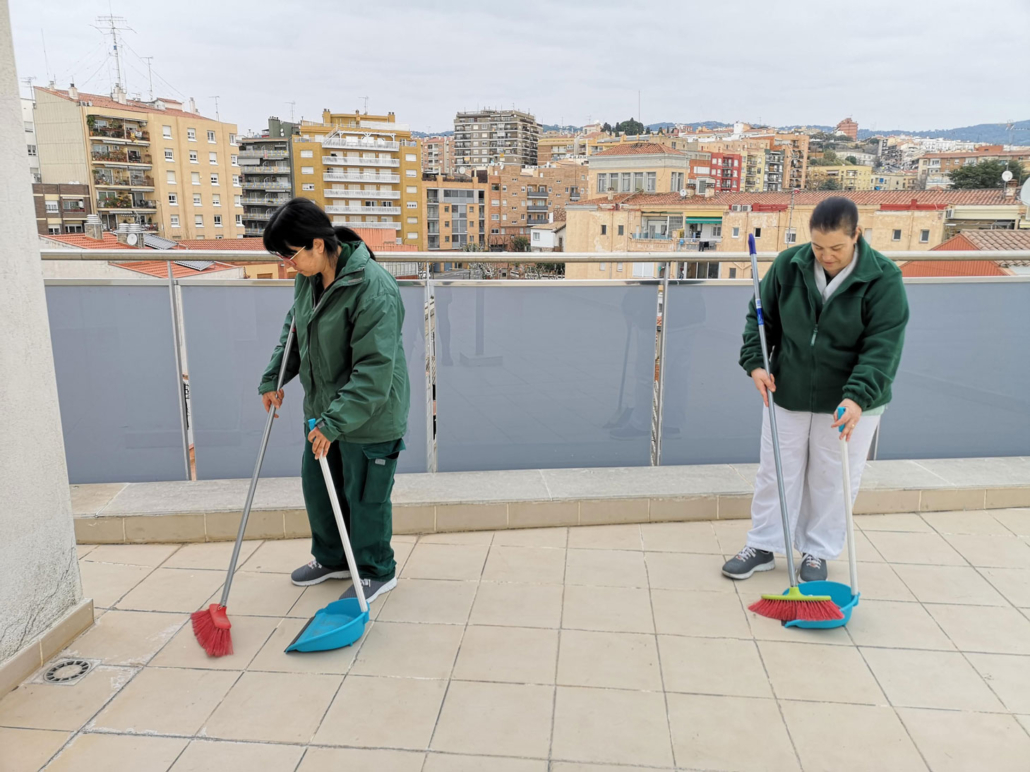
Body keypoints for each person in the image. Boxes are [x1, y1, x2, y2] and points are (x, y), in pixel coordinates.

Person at [722, 197, 908, 583]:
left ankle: (816, 551)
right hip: (787, 387)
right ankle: (763, 544)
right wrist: (755, 363)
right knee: (776, 471)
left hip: (850, 398)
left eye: (837, 248)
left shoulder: (884, 277)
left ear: (857, 234)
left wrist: (858, 396)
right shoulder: (789, 265)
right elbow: (760, 319)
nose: (826, 256)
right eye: (818, 247)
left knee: (833, 475)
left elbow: (883, 346)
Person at [260, 198, 409, 604]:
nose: (287, 265)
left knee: (365, 499)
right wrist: (273, 378)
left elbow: (374, 372)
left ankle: (377, 570)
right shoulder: (307, 280)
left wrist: (333, 422)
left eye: (290, 255)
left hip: (369, 416)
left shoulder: (374, 288)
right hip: (325, 412)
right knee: (321, 491)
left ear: (317, 244)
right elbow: (294, 330)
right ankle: (332, 559)